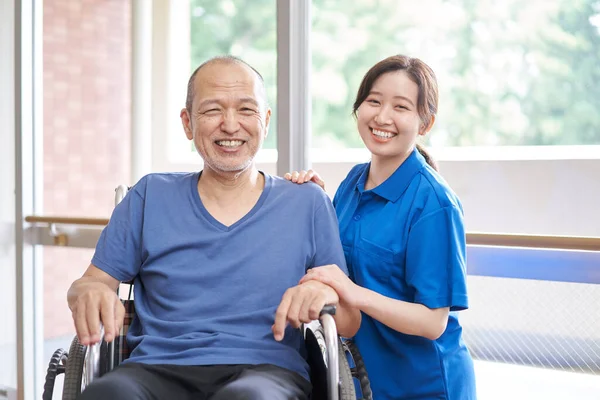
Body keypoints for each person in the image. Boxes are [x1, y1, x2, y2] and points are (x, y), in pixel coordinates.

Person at [67, 55, 361, 400]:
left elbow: (347, 321)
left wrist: (325, 293)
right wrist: (88, 292)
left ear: (265, 121)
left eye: (246, 110)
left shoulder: (307, 202)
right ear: (188, 123)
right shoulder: (150, 196)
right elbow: (90, 283)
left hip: (265, 373)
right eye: (212, 111)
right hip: (155, 370)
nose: (231, 125)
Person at [285, 55, 477, 399]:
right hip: (367, 383)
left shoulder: (434, 203)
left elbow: (433, 322)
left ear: (425, 122)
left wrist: (354, 293)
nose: (382, 117)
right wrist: (311, 202)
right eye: (373, 101)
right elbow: (336, 259)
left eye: (401, 107)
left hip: (424, 386)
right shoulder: (353, 182)